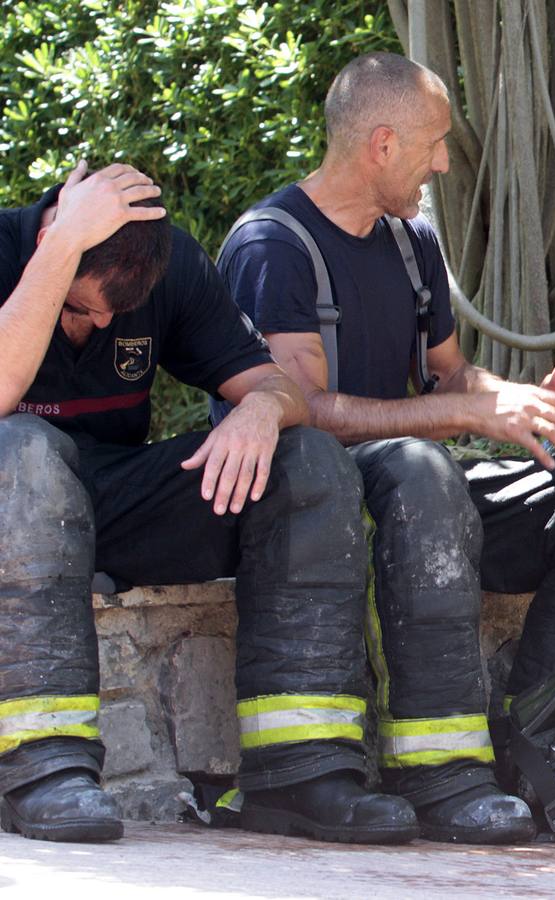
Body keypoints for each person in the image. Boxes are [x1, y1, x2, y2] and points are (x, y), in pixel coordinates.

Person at [219, 53, 555, 842]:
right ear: (384, 144)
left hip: (423, 501)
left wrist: (521, 402)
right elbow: (301, 414)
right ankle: (440, 774)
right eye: (433, 145)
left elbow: (451, 375)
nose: (442, 163)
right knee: (420, 466)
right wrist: (464, 417)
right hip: (321, 518)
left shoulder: (412, 242)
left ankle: (537, 742)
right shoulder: (273, 247)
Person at [0, 162, 417, 844]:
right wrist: (57, 256)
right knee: (22, 448)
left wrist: (261, 408)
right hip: (9, 501)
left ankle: (301, 771)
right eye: (80, 308)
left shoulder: (175, 267)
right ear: (52, 232)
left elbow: (279, 387)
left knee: (305, 459)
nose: (99, 323)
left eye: (116, 313)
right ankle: (43, 766)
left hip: (111, 499)